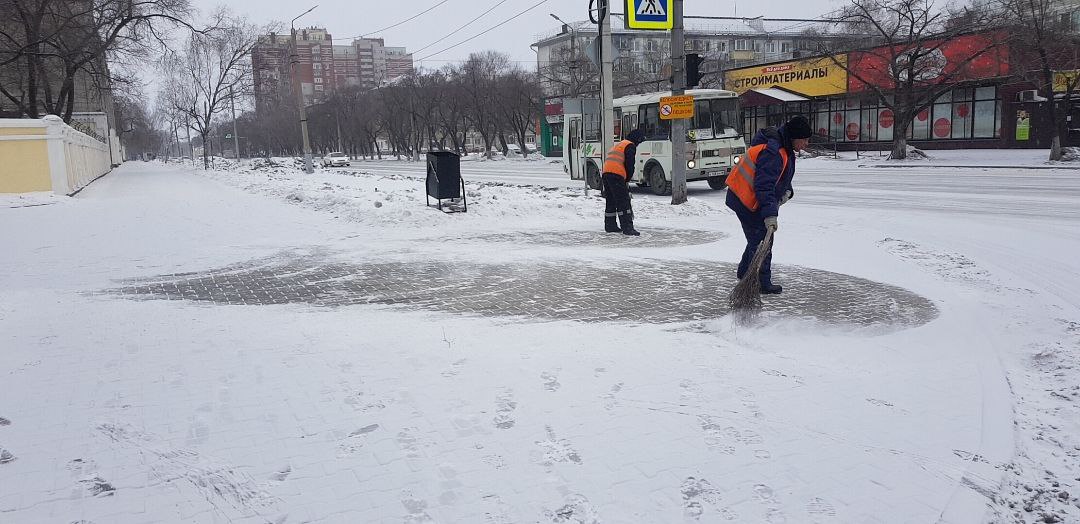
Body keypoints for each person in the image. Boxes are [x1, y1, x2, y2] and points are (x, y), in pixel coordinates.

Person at [724, 115, 813, 294]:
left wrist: (787, 190)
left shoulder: (784, 148)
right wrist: (770, 215)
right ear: (795, 137)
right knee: (762, 241)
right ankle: (761, 283)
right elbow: (764, 186)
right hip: (746, 201)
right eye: (804, 140)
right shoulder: (774, 151)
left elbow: (779, 177)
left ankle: (744, 273)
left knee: (757, 239)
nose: (806, 145)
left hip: (748, 199)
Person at [602, 128, 646, 235]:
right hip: (616, 174)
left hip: (606, 173)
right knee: (624, 201)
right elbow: (630, 165)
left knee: (611, 200)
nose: (639, 144)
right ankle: (627, 228)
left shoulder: (620, 144)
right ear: (637, 139)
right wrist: (627, 179)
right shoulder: (630, 146)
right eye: (640, 142)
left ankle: (610, 225)